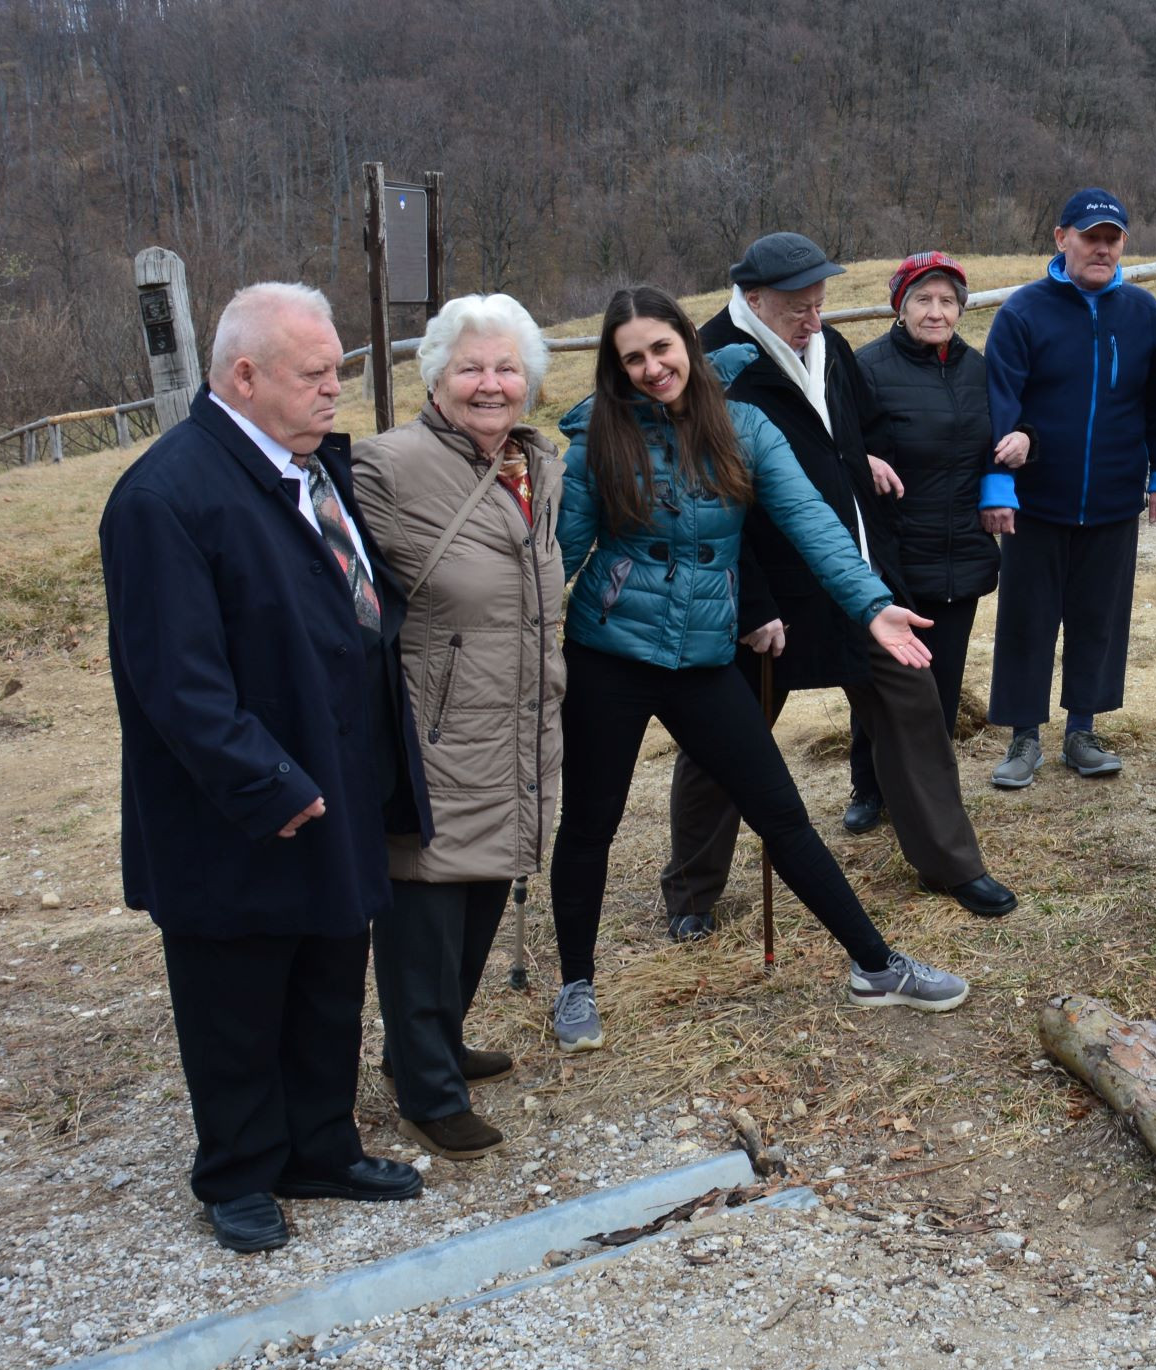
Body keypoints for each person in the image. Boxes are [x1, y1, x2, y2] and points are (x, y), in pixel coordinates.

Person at [100, 282, 429, 1253]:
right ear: (244, 375)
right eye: (315, 374)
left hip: (337, 772)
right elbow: (176, 680)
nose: (336, 390)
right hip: (238, 806)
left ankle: (319, 1146)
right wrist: (266, 783)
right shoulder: (168, 497)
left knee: (330, 968)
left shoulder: (311, 467)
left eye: (338, 371)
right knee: (237, 993)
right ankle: (239, 1171)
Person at [551, 286, 968, 1052]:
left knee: (781, 813)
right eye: (631, 358)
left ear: (688, 345)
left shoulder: (743, 426)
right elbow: (562, 559)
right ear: (616, 370)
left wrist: (870, 604)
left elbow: (813, 521)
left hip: (705, 655)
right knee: (589, 823)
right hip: (608, 653)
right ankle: (576, 982)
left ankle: (874, 966)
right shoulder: (596, 441)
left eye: (661, 349)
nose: (650, 368)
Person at [665, 234, 1016, 924]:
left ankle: (952, 865)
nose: (813, 319)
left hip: (857, 579)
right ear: (753, 298)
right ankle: (691, 893)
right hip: (762, 597)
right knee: (721, 742)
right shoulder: (712, 367)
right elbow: (700, 503)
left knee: (913, 706)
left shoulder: (829, 351)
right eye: (798, 307)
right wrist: (751, 606)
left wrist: (874, 461)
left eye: (820, 303)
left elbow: (862, 426)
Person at [351, 293, 565, 1160]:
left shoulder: (536, 465)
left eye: (506, 368)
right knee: (426, 907)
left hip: (516, 717)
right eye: (470, 368)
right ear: (435, 377)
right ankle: (426, 1090)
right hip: (434, 728)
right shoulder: (385, 467)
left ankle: (427, 1046)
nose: (490, 384)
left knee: (483, 887)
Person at [982, 188, 1156, 788]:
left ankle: (1082, 730)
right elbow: (999, 406)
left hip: (1114, 498)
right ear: (1061, 238)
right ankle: (1024, 737)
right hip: (1036, 502)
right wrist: (997, 486)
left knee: (1099, 619)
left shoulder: (1145, 314)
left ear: (1123, 243)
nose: (1101, 248)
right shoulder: (1023, 312)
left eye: (1112, 238)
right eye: (1090, 236)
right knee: (1028, 618)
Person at [851, 252, 1001, 780]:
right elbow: (831, 445)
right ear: (900, 306)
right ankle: (868, 786)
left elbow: (1004, 441)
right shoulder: (865, 369)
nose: (935, 312)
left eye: (946, 301)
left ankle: (933, 791)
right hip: (896, 557)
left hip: (961, 551)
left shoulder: (980, 370)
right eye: (922, 299)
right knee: (885, 682)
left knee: (941, 682)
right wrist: (860, 459)